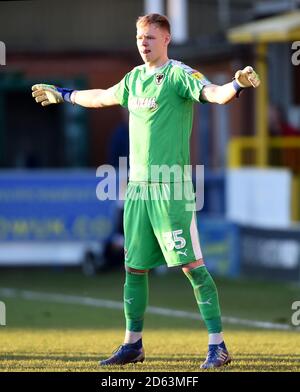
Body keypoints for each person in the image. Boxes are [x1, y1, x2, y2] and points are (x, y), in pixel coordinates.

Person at [31, 13, 260, 369]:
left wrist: (237, 84)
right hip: (138, 190)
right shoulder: (134, 79)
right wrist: (65, 94)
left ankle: (218, 346)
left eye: (151, 37)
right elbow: (103, 97)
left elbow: (214, 95)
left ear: (166, 39)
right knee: (134, 268)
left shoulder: (180, 74)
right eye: (140, 37)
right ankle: (132, 345)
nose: (143, 43)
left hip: (172, 189)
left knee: (192, 267)